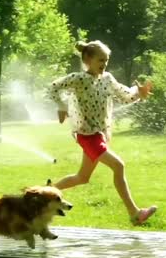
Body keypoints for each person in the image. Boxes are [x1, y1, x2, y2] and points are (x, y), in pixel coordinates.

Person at [47, 40, 156, 225]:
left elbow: (125, 95)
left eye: (106, 60)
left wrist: (139, 92)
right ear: (88, 59)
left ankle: (44, 193)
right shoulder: (79, 79)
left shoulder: (107, 78)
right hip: (87, 136)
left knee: (82, 178)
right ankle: (135, 213)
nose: (104, 64)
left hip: (101, 134)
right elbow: (53, 87)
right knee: (118, 166)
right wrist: (62, 105)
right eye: (100, 60)